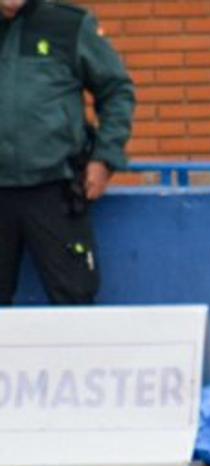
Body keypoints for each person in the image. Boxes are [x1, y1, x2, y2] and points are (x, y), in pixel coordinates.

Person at [0, 0, 134, 306]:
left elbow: (116, 91)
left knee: (73, 303)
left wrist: (105, 158)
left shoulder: (69, 24)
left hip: (54, 190)